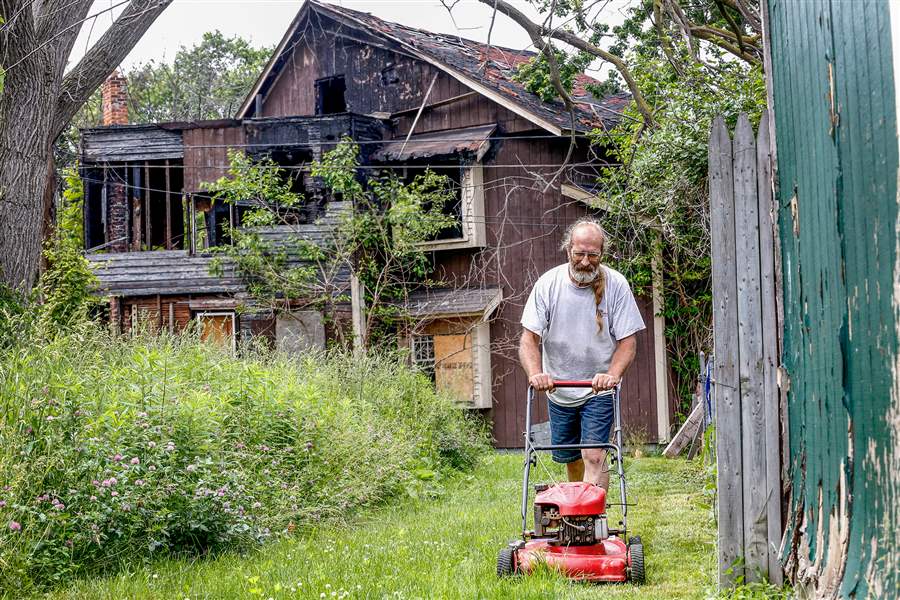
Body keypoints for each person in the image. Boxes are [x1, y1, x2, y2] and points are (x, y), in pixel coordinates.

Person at [519, 218, 645, 489]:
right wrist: (536, 374)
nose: (585, 261)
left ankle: (593, 521)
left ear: (601, 254)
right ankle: (577, 515)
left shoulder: (617, 285)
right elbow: (528, 339)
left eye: (592, 254)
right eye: (579, 253)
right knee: (572, 459)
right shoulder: (548, 284)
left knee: (594, 455)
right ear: (568, 251)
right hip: (560, 390)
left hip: (598, 389)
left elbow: (628, 342)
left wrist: (611, 375)